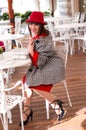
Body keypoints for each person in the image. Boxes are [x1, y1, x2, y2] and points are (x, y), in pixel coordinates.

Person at [19, 11, 66, 126]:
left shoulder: (44, 40)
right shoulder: (38, 36)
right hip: (45, 64)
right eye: (31, 24)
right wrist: (32, 48)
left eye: (36, 25)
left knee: (30, 82)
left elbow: (40, 62)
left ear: (41, 26)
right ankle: (27, 110)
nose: (32, 27)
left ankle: (55, 104)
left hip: (52, 67)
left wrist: (31, 51)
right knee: (26, 80)